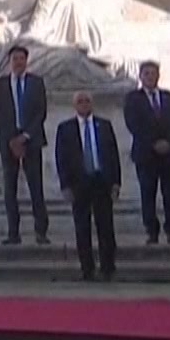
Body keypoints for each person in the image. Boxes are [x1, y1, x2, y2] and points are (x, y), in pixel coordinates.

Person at [55, 92, 121, 283]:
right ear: (74, 105)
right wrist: (65, 185)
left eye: (87, 101)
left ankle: (108, 267)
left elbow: (113, 155)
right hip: (79, 183)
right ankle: (87, 269)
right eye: (80, 102)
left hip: (101, 181)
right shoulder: (65, 128)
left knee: (106, 227)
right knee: (82, 228)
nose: (84, 104)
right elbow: (62, 159)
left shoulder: (104, 125)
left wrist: (116, 183)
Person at [0, 46, 49, 246]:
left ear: (26, 61)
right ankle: (13, 232)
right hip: (8, 142)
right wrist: (12, 139)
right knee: (10, 189)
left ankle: (41, 231)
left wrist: (25, 136)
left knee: (36, 187)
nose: (18, 62)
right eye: (15, 59)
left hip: (31, 141)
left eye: (22, 58)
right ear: (10, 61)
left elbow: (41, 112)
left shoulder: (36, 83)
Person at [122, 61, 170, 245]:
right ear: (140, 76)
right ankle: (152, 230)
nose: (150, 76)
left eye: (153, 73)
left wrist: (169, 142)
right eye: (146, 73)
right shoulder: (133, 98)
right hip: (146, 153)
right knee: (148, 193)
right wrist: (153, 143)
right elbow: (133, 124)